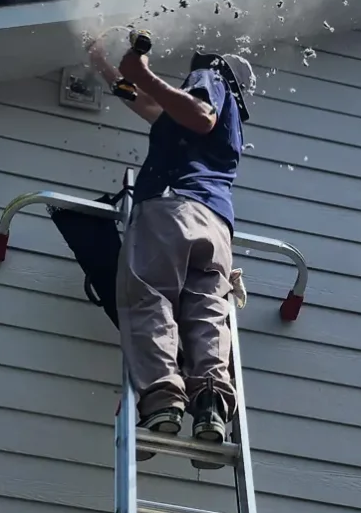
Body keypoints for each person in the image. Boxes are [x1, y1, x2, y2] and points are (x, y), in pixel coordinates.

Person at [88, 38, 252, 457]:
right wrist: (106, 67)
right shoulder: (227, 125)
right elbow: (145, 102)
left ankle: (163, 399)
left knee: (151, 296)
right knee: (205, 309)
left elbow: (199, 115)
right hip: (215, 226)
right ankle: (211, 403)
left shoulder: (211, 77)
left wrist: (143, 72)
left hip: (171, 208)